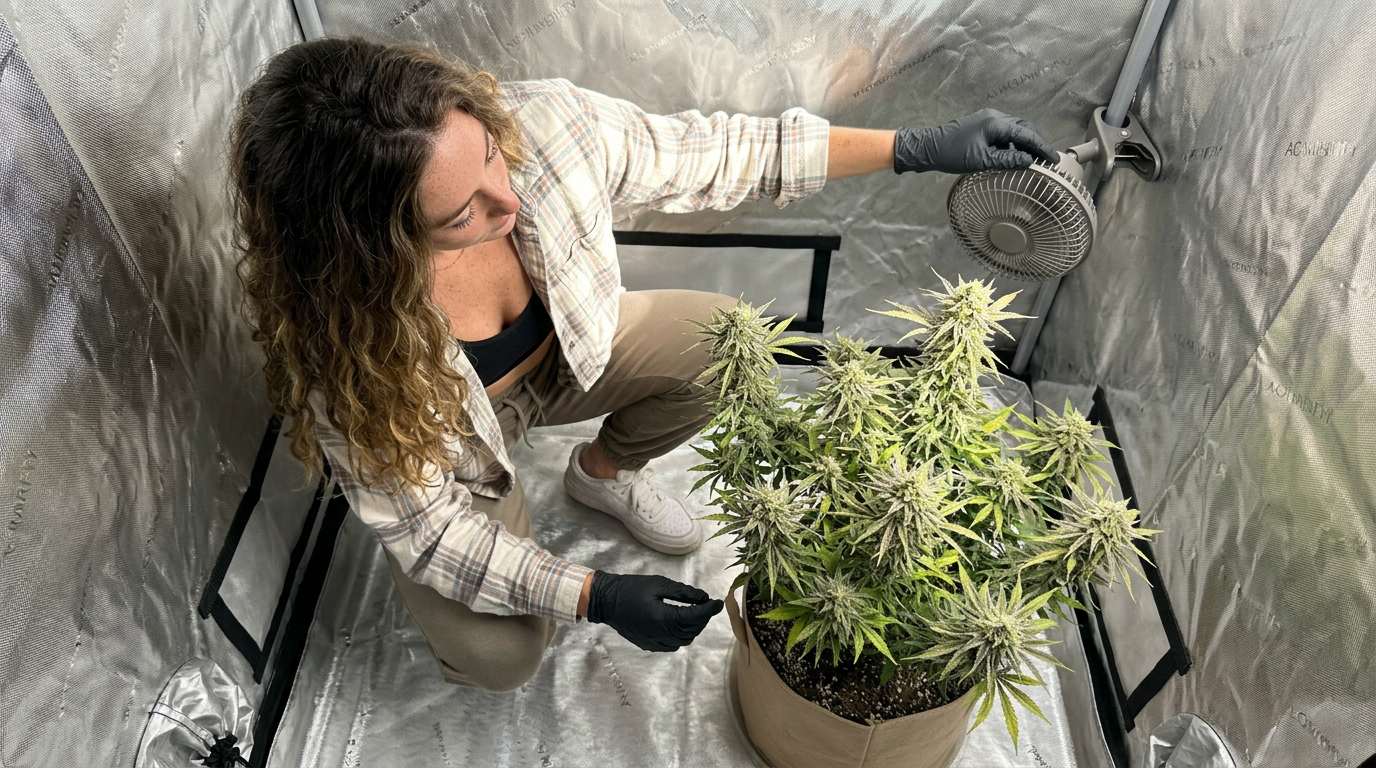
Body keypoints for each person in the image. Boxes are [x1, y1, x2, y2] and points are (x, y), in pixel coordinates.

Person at [228, 36, 1057, 692]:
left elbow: (720, 152)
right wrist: (594, 594)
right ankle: (508, 565)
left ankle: (601, 471)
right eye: (460, 213)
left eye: (486, 154)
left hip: (568, 357)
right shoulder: (344, 346)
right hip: (458, 458)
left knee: (724, 340)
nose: (506, 199)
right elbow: (437, 535)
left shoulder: (544, 130)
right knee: (502, 654)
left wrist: (912, 147)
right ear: (370, 242)